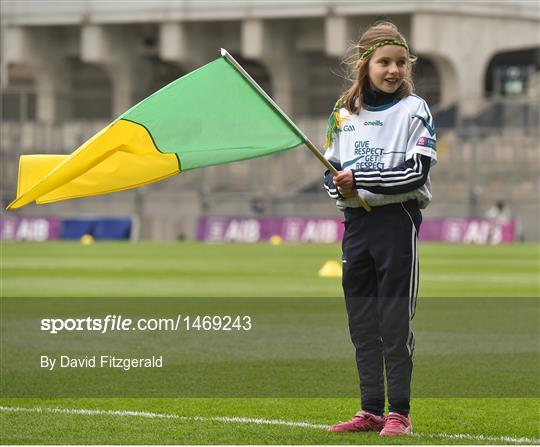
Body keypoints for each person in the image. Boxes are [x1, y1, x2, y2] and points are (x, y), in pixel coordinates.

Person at [323, 21, 437, 436]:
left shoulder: (415, 109)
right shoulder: (342, 113)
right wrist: (339, 182)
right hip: (355, 225)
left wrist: (361, 181)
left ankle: (399, 413)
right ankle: (370, 409)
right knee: (362, 323)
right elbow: (330, 170)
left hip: (396, 222)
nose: (394, 70)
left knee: (393, 323)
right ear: (364, 64)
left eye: (401, 63)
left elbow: (414, 173)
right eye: (384, 62)